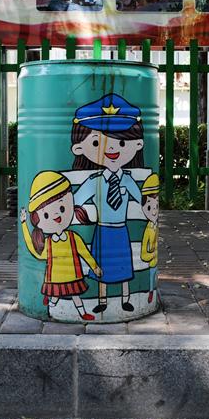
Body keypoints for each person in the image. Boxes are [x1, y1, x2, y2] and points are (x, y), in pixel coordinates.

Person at [71, 93, 144, 313]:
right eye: (97, 142)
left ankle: (125, 299)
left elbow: (141, 198)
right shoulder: (94, 181)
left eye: (121, 142)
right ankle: (102, 301)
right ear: (79, 148)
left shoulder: (127, 180)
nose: (111, 149)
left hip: (120, 230)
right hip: (102, 230)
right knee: (102, 267)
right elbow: (77, 200)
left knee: (123, 266)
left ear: (138, 144)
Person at [20, 171, 101, 321]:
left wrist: (94, 267)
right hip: (55, 278)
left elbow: (84, 252)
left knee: (75, 295)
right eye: (45, 215)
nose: (57, 215)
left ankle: (82, 313)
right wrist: (24, 225)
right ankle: (50, 304)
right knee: (56, 297)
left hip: (73, 276)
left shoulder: (73, 237)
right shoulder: (49, 243)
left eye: (63, 208)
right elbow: (34, 250)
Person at [140, 173, 160, 304]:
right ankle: (151, 293)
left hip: (153, 264)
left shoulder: (153, 225)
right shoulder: (147, 229)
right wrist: (152, 255)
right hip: (151, 261)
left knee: (153, 276)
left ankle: (151, 293)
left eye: (156, 206)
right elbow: (143, 254)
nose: (153, 212)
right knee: (151, 277)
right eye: (149, 207)